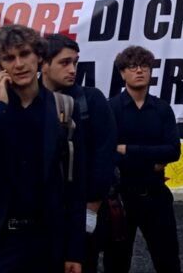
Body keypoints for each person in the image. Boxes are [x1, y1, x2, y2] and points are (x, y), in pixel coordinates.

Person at [0, 25, 85, 272]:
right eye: (9, 58)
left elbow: (75, 186)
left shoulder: (64, 107)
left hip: (46, 243)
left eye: (24, 54)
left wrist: (74, 252)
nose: (19, 64)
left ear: (39, 56)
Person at [41, 33, 117, 273]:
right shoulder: (31, 100)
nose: (72, 69)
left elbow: (104, 155)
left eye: (75, 62)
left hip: (82, 211)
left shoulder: (91, 100)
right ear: (43, 64)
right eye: (64, 63)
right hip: (41, 215)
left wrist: (91, 208)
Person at [108, 46, 181, 273]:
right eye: (132, 67)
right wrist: (152, 161)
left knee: (168, 261)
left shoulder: (162, 109)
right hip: (122, 197)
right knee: (117, 262)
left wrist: (127, 149)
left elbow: (173, 152)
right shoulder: (111, 108)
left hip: (156, 196)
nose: (139, 71)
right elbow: (108, 153)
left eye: (145, 66)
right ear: (122, 73)